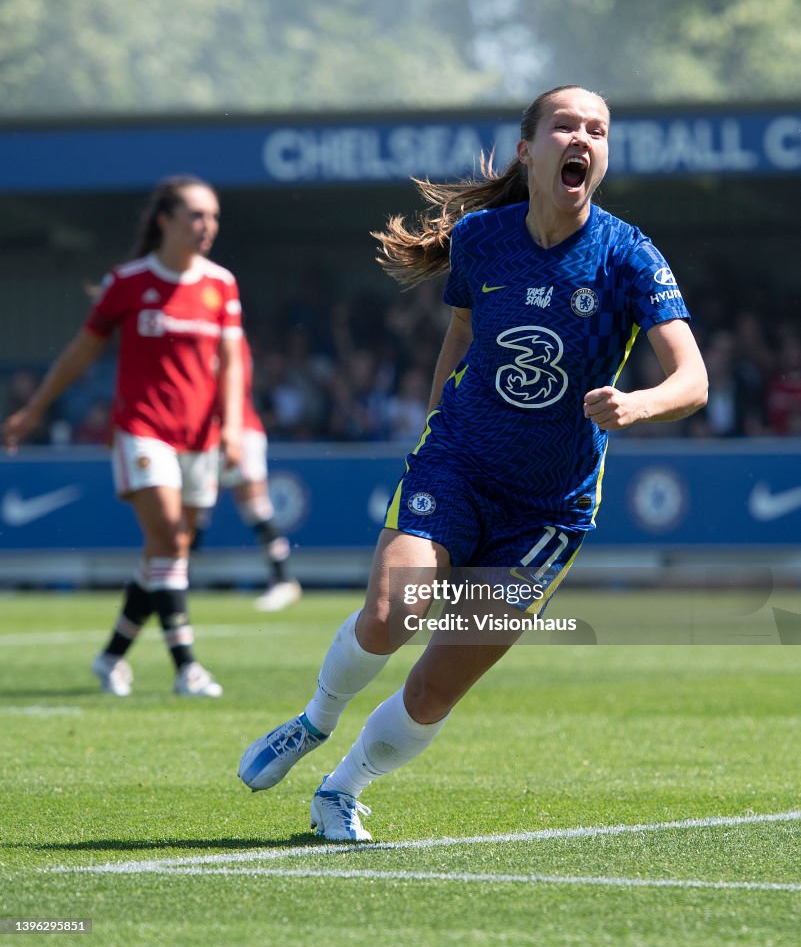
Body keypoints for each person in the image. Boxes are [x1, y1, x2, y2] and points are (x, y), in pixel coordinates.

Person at [237, 85, 708, 840]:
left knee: (434, 688)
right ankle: (313, 721)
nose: (581, 137)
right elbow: (460, 333)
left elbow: (693, 378)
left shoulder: (628, 255)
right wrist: (434, 426)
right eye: (565, 125)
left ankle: (342, 787)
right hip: (454, 466)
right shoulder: (483, 238)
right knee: (393, 615)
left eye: (598, 130)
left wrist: (638, 404)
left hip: (546, 513)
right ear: (529, 150)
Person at [2, 174, 243, 698]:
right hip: (142, 430)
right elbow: (81, 351)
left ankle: (111, 657)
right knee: (169, 536)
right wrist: (33, 410)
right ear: (165, 220)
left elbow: (230, 364)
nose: (208, 227)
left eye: (213, 217)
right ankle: (188, 668)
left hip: (200, 438)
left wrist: (234, 426)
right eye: (197, 216)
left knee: (170, 549)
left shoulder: (220, 284)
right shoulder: (128, 282)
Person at [195, 334, 302, 612]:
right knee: (194, 511)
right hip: (207, 433)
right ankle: (173, 581)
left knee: (256, 508)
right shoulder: (204, 336)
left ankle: (283, 579)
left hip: (237, 431)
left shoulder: (228, 338)